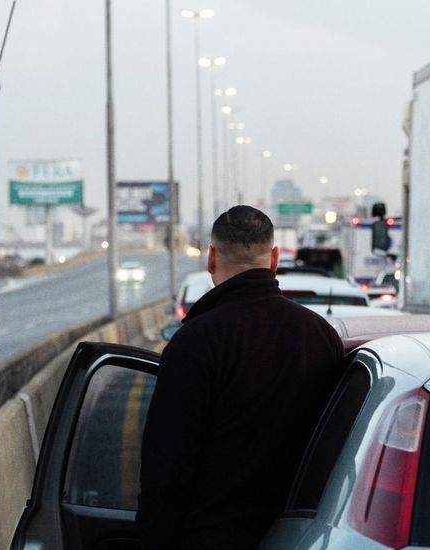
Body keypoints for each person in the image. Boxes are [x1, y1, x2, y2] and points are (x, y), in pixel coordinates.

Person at [138, 205, 345, 549]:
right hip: (305, 538)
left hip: (209, 538)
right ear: (274, 258)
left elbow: (167, 464)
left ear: (211, 259)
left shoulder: (195, 341)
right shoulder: (320, 336)